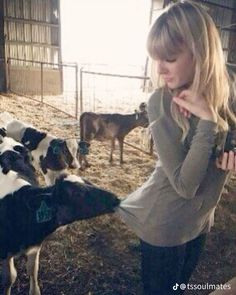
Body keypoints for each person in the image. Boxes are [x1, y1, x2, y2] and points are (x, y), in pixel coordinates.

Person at [117, 1, 236, 294]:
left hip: (201, 219)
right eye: (155, 58)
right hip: (164, 225)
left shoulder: (228, 90)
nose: (159, 68)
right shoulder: (160, 103)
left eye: (168, 58)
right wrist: (208, 121)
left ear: (199, 53)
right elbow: (184, 185)